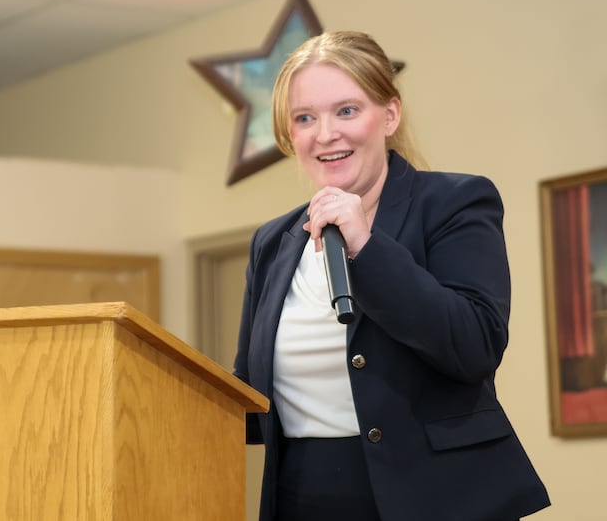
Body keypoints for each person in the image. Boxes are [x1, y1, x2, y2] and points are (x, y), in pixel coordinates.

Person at [233, 31, 550, 521]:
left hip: (437, 499)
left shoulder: (455, 203)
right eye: (304, 118)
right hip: (303, 496)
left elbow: (474, 345)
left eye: (346, 111)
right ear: (288, 134)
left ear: (390, 115)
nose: (325, 134)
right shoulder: (272, 242)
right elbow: (247, 394)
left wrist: (366, 247)